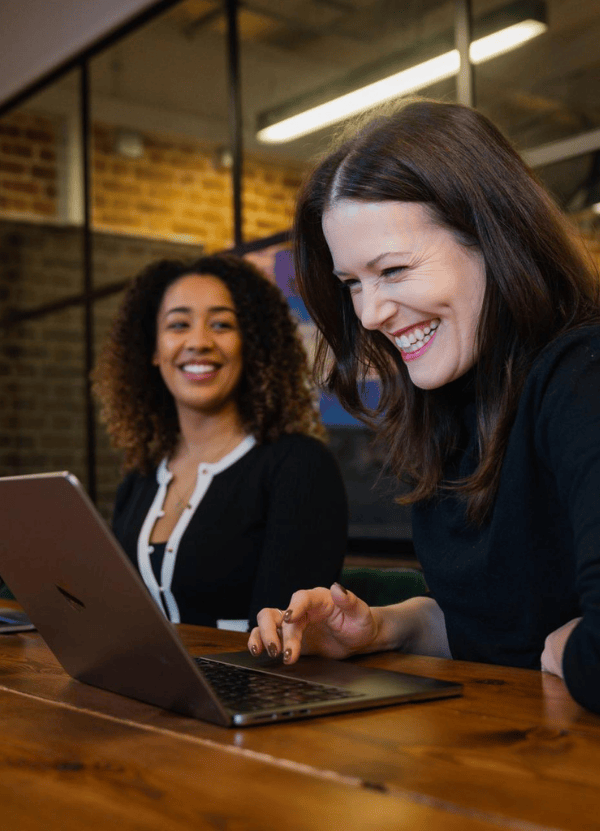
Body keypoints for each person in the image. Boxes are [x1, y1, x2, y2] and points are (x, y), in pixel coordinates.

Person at [247, 99, 600, 715]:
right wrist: (384, 629)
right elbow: (499, 627)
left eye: (394, 269)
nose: (369, 313)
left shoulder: (582, 375)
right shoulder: (454, 405)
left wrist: (577, 655)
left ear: (496, 239)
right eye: (353, 283)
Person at [93, 254, 347, 630]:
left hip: (250, 685)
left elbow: (281, 636)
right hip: (143, 685)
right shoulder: (141, 478)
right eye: (178, 324)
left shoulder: (299, 467)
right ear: (152, 349)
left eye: (222, 324)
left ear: (252, 344)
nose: (199, 342)